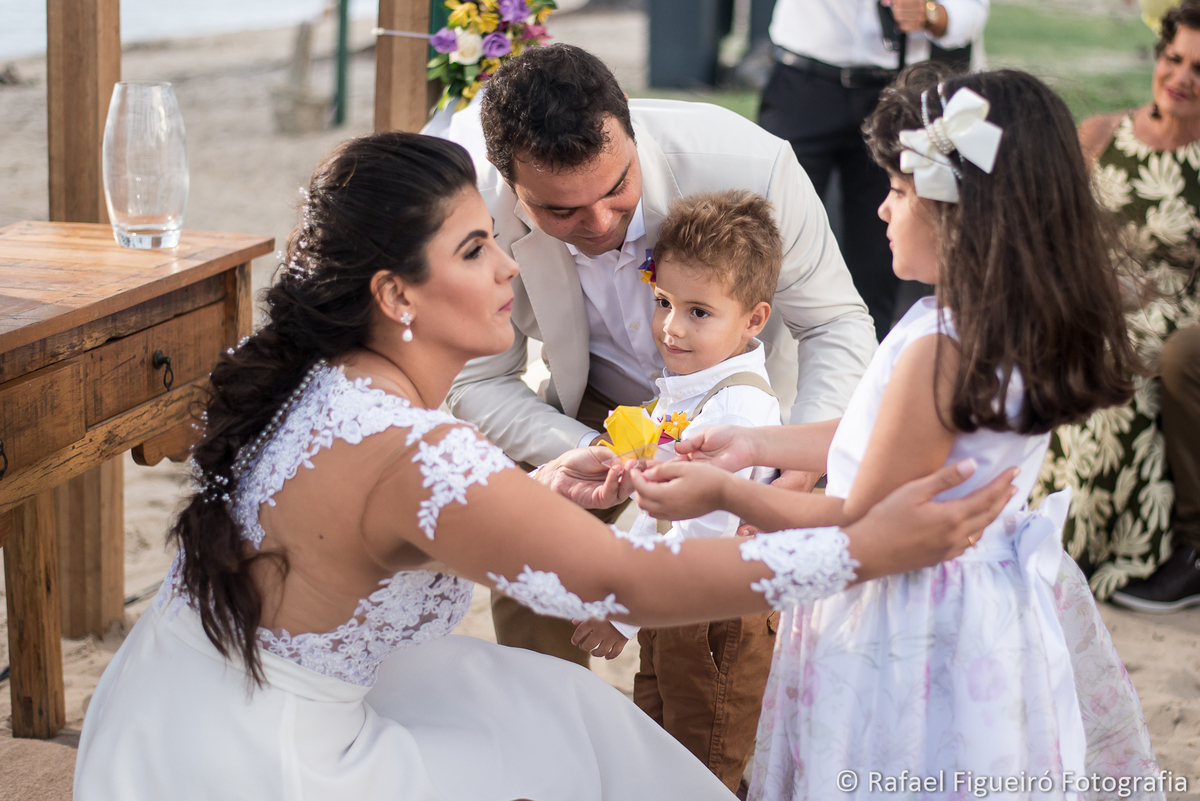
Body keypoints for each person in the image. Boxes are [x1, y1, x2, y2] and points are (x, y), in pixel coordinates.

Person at [72, 132, 1017, 801]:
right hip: (257, 762)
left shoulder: (329, 382)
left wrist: (531, 492)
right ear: (395, 292)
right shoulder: (410, 447)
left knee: (560, 709)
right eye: (477, 248)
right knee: (567, 737)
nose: (510, 270)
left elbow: (366, 532)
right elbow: (630, 580)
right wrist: (866, 547)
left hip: (180, 698)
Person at [630, 68, 1163, 799]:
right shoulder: (1002, 324)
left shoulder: (938, 349)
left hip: (907, 611)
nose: (881, 209)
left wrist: (723, 493)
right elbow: (872, 439)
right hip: (988, 605)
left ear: (963, 214)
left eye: (901, 192)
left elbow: (856, 521)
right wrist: (756, 447)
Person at [447, 43, 878, 667]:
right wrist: (593, 449)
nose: (598, 223)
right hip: (594, 400)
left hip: (749, 407)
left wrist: (797, 461)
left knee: (727, 635)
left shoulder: (753, 165)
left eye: (618, 187)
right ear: (505, 176)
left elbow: (836, 323)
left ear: (629, 129)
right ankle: (547, 736)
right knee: (528, 556)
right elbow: (479, 379)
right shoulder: (475, 210)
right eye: (560, 209)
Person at [571, 190, 785, 792]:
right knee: (656, 747)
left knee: (702, 765)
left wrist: (626, 612)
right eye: (664, 301)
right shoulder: (691, 385)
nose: (671, 327)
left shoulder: (738, 403)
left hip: (716, 615)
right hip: (674, 602)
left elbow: (703, 528)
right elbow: (661, 508)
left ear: (753, 319)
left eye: (698, 312)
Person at [1033, 0, 1200, 609]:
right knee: (1060, 342)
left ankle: (1105, 551)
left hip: (1183, 309)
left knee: (1119, 373)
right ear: (1158, 59)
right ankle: (1046, 530)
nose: (1182, 77)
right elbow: (1057, 232)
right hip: (1098, 294)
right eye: (1174, 59)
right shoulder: (1102, 135)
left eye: (1199, 68)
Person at [759, 0, 989, 340]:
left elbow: (969, 12)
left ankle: (871, 370)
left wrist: (929, 13)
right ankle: (760, 365)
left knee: (880, 252)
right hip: (804, 83)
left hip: (895, 88)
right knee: (769, 233)